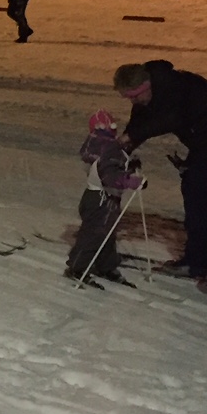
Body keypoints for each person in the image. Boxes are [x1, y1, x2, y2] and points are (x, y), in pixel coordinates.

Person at [113, 59, 207, 281]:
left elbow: (169, 118)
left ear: (146, 84)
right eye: (129, 98)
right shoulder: (151, 93)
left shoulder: (176, 87)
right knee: (197, 193)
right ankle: (206, 261)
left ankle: (202, 263)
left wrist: (132, 137)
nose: (134, 102)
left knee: (200, 192)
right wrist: (123, 148)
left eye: (135, 96)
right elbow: (139, 123)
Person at [65, 110, 143, 285]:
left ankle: (105, 265)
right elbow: (110, 176)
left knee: (107, 233)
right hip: (102, 199)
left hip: (96, 197)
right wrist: (130, 181)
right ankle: (78, 266)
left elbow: (108, 167)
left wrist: (129, 166)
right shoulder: (109, 148)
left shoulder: (97, 145)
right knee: (94, 234)